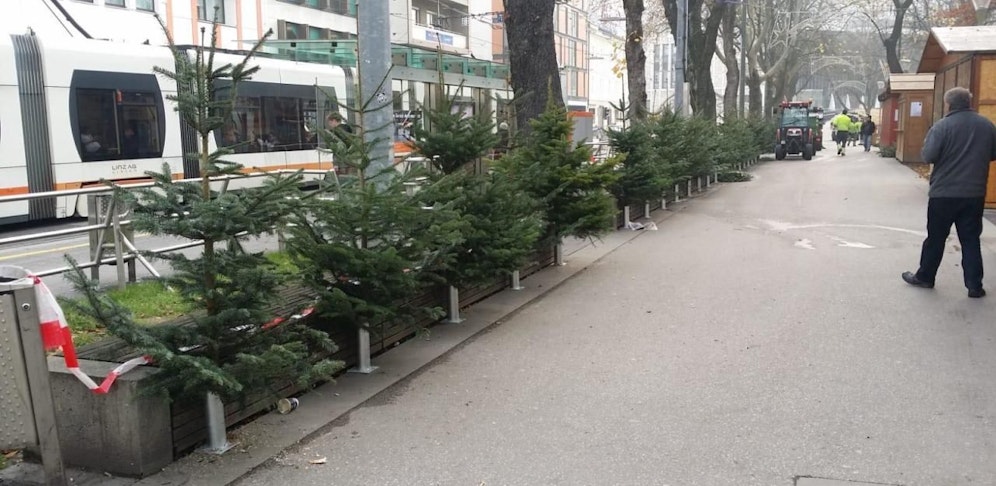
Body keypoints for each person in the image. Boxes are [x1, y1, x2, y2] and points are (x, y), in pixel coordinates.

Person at [902, 87, 996, 298]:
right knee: (970, 239)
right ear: (968, 102)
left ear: (949, 104)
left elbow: (929, 155)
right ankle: (974, 286)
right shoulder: (987, 125)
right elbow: (993, 153)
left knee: (936, 238)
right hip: (974, 193)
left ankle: (925, 277)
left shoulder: (942, 127)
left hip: (943, 193)